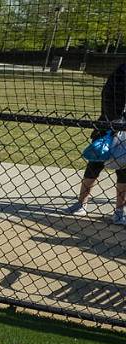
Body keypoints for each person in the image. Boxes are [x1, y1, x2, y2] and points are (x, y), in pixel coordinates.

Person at [67, 61, 126, 223]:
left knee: (123, 172)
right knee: (95, 164)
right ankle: (81, 204)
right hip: (108, 126)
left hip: (116, 127)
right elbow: (109, 98)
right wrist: (113, 122)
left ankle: (119, 211)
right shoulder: (120, 74)